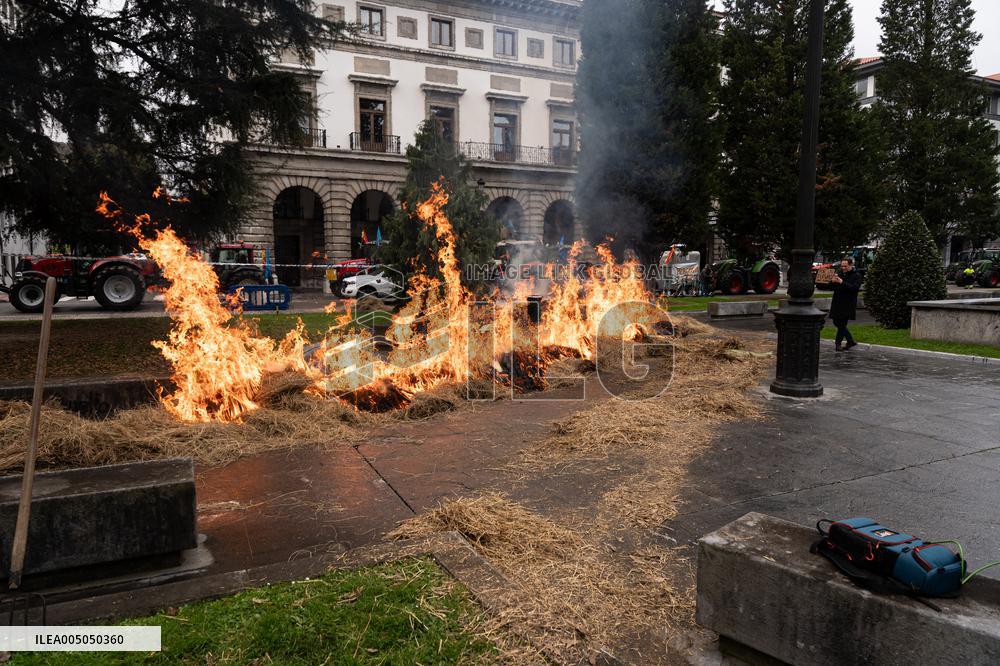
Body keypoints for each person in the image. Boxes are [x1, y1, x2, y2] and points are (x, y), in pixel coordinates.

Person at [830, 256, 862, 351]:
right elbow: (831, 287)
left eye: (845, 266)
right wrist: (832, 282)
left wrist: (842, 282)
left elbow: (854, 288)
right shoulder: (839, 274)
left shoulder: (857, 275)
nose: (843, 268)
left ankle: (838, 344)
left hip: (848, 303)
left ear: (851, 265)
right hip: (837, 301)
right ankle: (850, 341)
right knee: (836, 322)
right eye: (842, 266)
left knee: (842, 324)